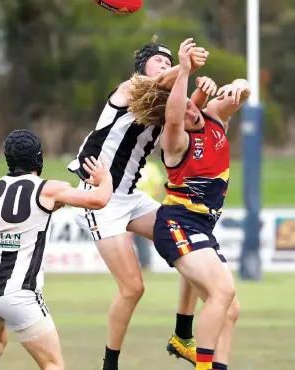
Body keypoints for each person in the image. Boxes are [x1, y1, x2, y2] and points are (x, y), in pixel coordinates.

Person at [67, 35, 212, 370]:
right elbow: (160, 81)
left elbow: (188, 113)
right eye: (158, 60)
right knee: (133, 289)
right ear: (142, 68)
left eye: (167, 60)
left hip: (129, 198)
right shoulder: (130, 88)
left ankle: (183, 336)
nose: (164, 65)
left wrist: (201, 90)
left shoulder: (162, 107)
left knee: (188, 241)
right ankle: (110, 365)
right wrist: (184, 65)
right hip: (98, 200)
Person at [128, 38, 250, 370]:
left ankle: (202, 353)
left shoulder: (213, 116)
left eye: (191, 104)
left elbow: (243, 92)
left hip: (201, 229)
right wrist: (183, 69)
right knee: (223, 292)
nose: (190, 108)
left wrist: (236, 87)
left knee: (230, 307)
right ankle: (204, 365)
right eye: (182, 107)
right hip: (177, 224)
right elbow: (172, 117)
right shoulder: (175, 140)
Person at [0, 129, 112, 370]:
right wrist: (105, 177)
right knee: (52, 364)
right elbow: (99, 200)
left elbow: (18, 214)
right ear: (38, 158)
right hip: (18, 293)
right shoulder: (48, 188)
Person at [133, 160, 164, 269]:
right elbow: (158, 187)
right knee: (140, 237)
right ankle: (144, 262)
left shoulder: (147, 167)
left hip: (142, 206)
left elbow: (157, 188)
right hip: (140, 206)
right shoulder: (149, 168)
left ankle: (145, 263)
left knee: (141, 237)